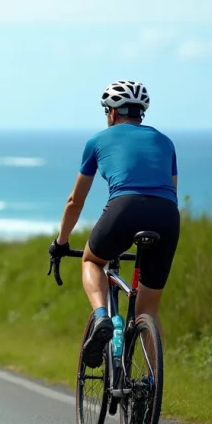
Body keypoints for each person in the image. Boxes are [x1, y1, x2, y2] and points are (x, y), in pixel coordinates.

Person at [48, 80, 181, 370]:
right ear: (140, 113)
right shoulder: (165, 142)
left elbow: (75, 201)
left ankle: (101, 317)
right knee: (149, 310)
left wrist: (60, 242)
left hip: (125, 208)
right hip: (167, 216)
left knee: (92, 260)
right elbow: (171, 192)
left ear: (111, 113)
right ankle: (150, 388)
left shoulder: (97, 141)